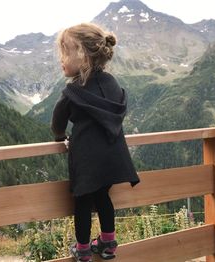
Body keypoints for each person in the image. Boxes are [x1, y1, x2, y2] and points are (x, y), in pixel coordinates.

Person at [51, 23, 140, 262]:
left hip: (87, 157)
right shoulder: (111, 82)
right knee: (103, 197)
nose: (61, 59)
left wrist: (60, 137)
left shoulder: (73, 90)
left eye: (64, 53)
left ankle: (82, 249)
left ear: (81, 55)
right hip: (113, 154)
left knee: (82, 202)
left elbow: (58, 121)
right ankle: (108, 244)